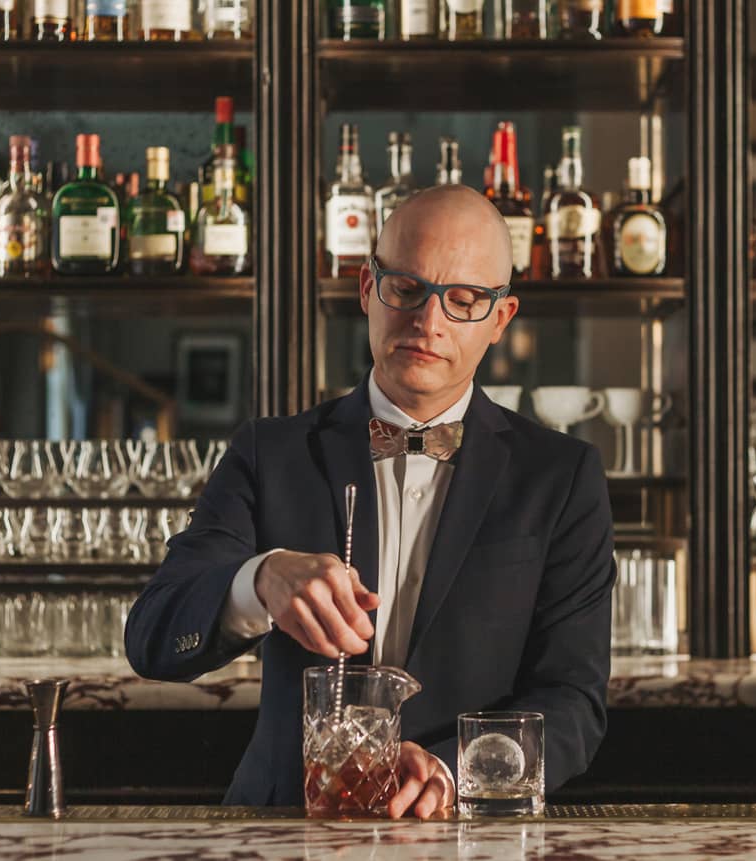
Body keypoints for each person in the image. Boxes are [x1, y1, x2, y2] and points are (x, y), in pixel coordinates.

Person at [125, 185, 615, 818]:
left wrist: (452, 770)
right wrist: (261, 580)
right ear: (366, 289)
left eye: (464, 300)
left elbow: (574, 698)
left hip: (465, 835)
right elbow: (152, 638)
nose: (429, 322)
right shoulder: (270, 453)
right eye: (407, 290)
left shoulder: (562, 477)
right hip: (282, 828)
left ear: (501, 319)